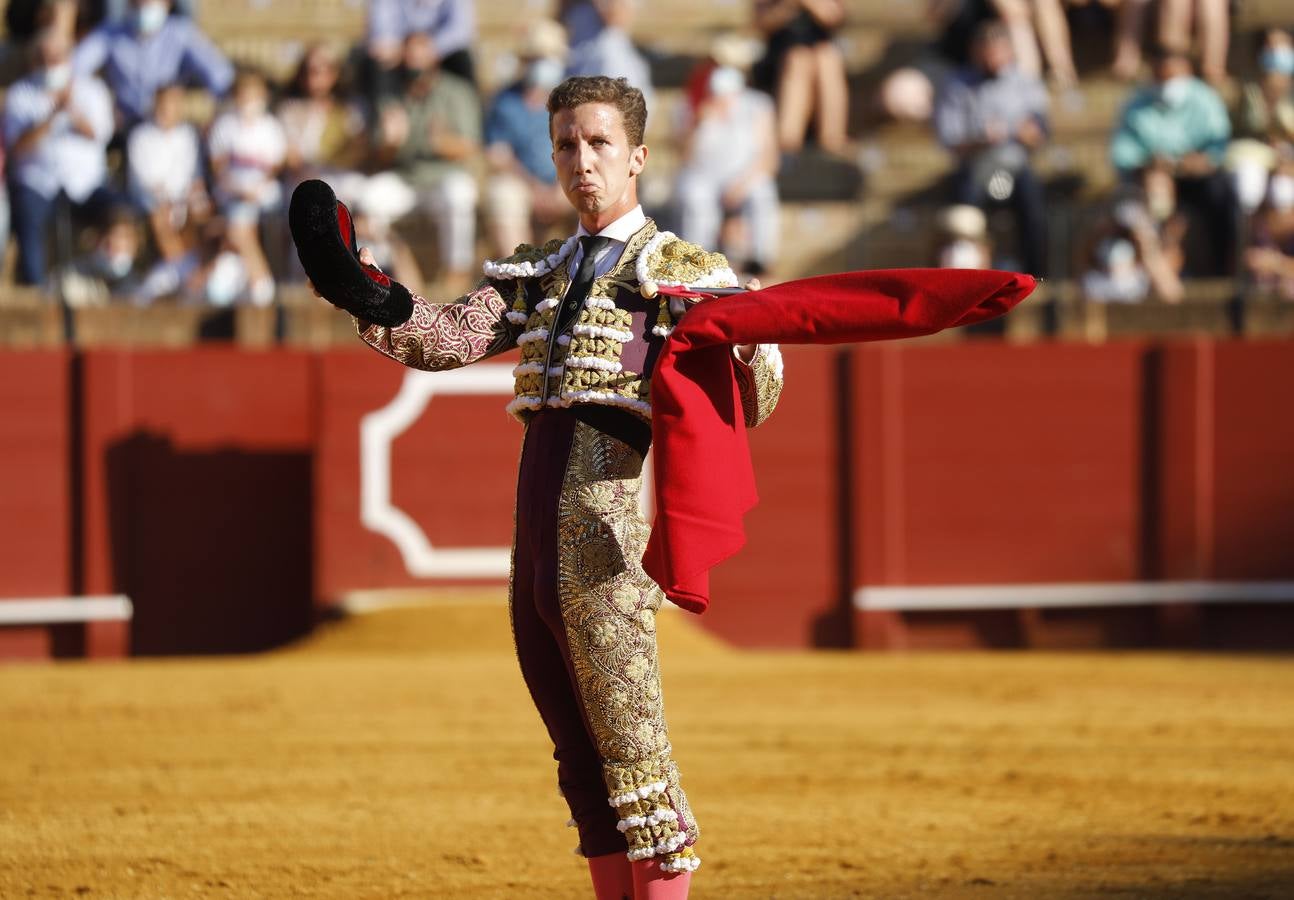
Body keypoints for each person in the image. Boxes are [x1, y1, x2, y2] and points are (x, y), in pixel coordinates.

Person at [311, 75, 784, 899]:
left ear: (637, 156)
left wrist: (737, 337)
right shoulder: (538, 272)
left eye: (599, 144)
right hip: (535, 556)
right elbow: (448, 337)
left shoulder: (679, 271)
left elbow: (761, 389)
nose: (581, 161)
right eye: (565, 144)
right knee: (584, 771)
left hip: (606, 550)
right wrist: (362, 287)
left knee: (639, 766)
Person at [933, 19, 1051, 275]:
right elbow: (950, 141)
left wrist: (1025, 133)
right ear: (975, 52)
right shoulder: (957, 85)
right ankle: (967, 277)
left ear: (1009, 50)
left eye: (997, 52)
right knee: (963, 218)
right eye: (986, 53)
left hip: (1014, 168)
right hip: (975, 169)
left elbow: (1040, 133)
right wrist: (980, 140)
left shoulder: (1025, 83)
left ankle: (1037, 278)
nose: (992, 60)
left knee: (1035, 212)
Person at [3, 25, 115, 286]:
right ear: (34, 60)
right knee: (27, 215)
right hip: (37, 183)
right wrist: (51, 117)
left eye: (57, 57)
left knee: (121, 212)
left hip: (86, 185)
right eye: (45, 58)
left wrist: (71, 111)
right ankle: (35, 289)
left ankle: (115, 284)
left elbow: (101, 134)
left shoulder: (92, 90)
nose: (51, 64)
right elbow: (16, 147)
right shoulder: (20, 93)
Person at [1110, 44, 1235, 274]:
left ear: (1187, 71)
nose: (1168, 83)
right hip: (1153, 180)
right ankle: (1160, 267)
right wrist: (1153, 164)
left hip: (1199, 179)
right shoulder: (1135, 104)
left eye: (1173, 75)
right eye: (1161, 75)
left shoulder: (1205, 99)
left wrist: (1197, 163)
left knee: (1222, 191)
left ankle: (1223, 269)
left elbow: (1218, 149)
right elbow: (1124, 155)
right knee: (1153, 192)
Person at [376, 31, 481, 293]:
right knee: (369, 199)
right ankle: (398, 269)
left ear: (433, 58)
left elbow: (470, 146)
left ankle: (457, 276)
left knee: (459, 193)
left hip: (442, 177)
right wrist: (391, 142)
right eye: (410, 57)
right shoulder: (393, 94)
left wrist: (441, 142)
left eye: (420, 56)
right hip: (406, 179)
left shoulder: (456, 91)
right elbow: (379, 156)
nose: (415, 63)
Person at [673, 62, 780, 276]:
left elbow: (769, 157)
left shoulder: (758, 105)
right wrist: (698, 124)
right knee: (694, 196)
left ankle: (760, 259)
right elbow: (684, 157)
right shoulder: (691, 105)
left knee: (762, 191)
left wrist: (742, 185)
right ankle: (698, 258)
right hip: (702, 176)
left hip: (745, 176)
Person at [482, 20, 571, 257]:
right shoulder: (504, 101)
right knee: (502, 195)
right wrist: (535, 189)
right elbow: (498, 155)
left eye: (548, 56)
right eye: (535, 57)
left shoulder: (573, 100)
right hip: (521, 184)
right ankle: (520, 276)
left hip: (565, 182)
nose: (541, 63)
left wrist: (559, 187)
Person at [71, 0, 232, 130]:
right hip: (125, 125)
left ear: (167, 4)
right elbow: (75, 68)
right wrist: (102, 107)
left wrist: (218, 116)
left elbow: (219, 74)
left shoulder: (181, 32)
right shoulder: (109, 33)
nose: (144, 6)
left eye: (150, 3)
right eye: (139, 3)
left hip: (169, 125)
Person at [207, 69, 287, 306]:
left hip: (263, 191)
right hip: (231, 190)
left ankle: (254, 278)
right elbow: (218, 166)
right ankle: (259, 281)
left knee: (241, 221)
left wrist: (255, 188)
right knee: (240, 217)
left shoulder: (271, 127)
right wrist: (236, 188)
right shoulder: (224, 125)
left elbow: (275, 167)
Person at [126, 81, 208, 262]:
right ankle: (178, 269)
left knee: (201, 212)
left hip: (182, 195)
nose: (168, 110)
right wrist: (166, 197)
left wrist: (189, 195)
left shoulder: (188, 135)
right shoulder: (140, 136)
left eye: (174, 105)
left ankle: (191, 267)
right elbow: (142, 179)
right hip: (150, 196)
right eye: (164, 104)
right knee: (160, 214)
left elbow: (194, 174)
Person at [752, 0, 848, 153]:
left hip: (820, 55)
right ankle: (788, 141)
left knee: (827, 58)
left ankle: (832, 140)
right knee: (798, 60)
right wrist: (789, 6)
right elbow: (760, 23)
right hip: (780, 57)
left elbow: (834, 17)